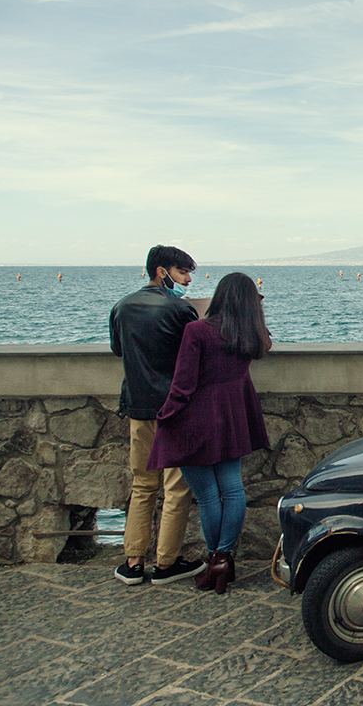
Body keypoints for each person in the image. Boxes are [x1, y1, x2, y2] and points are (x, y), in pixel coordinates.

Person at [147, 272, 272, 594]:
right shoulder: (251, 333)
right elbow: (265, 341)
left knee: (206, 496)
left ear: (218, 297)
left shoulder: (197, 331)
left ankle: (216, 559)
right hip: (233, 417)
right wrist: (255, 309)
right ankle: (224, 558)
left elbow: (183, 383)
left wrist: (166, 416)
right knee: (232, 488)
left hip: (197, 418)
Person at [109, 245, 207, 586]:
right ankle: (166, 563)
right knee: (176, 487)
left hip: (138, 407)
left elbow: (118, 350)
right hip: (174, 409)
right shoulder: (181, 310)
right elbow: (194, 356)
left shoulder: (121, 307)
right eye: (183, 273)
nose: (189, 280)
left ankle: (133, 561)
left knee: (143, 484)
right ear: (163, 271)